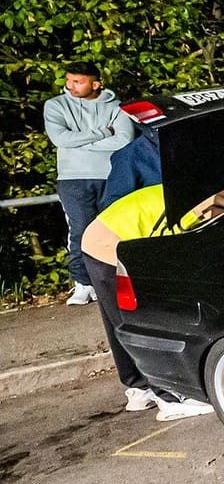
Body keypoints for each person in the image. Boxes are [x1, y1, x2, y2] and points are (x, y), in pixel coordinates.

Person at [79, 180, 224, 419]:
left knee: (118, 320)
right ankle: (167, 399)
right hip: (112, 242)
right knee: (138, 320)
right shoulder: (220, 205)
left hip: (104, 234)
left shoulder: (212, 192)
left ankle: (137, 388)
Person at [44, 63, 135, 305]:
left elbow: (124, 140)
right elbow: (60, 139)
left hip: (111, 175)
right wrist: (105, 132)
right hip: (73, 178)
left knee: (115, 229)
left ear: (95, 84)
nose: (70, 86)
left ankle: (115, 282)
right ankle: (83, 284)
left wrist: (79, 142)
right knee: (81, 229)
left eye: (78, 81)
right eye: (69, 80)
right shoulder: (55, 106)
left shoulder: (117, 108)